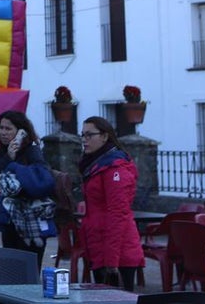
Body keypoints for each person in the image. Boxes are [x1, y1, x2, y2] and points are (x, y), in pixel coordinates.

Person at [0, 110, 55, 267]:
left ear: (21, 131)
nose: (3, 133)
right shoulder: (2, 151)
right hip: (9, 221)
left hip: (31, 220)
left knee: (30, 270)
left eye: (8, 129)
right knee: (11, 270)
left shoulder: (32, 151)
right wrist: (8, 158)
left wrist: (16, 169)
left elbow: (42, 181)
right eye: (1, 128)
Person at [78, 116, 144, 292]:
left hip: (117, 252)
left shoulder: (115, 168)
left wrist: (111, 260)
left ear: (105, 136)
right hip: (99, 245)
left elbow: (118, 214)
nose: (84, 140)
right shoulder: (96, 165)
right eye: (82, 135)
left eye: (89, 135)